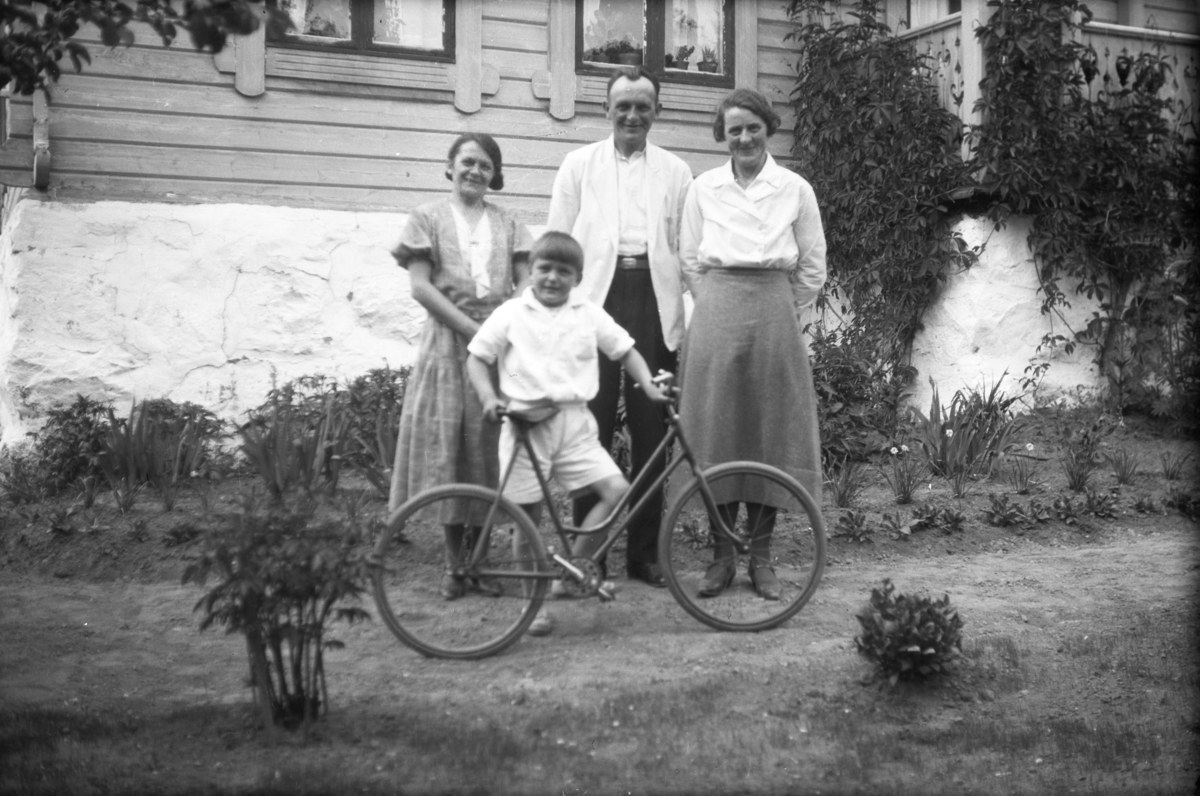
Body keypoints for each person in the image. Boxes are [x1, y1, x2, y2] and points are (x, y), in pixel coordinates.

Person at [466, 231, 670, 636]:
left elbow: (624, 348)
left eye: (563, 271)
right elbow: (477, 358)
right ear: (531, 272)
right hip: (526, 426)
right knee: (527, 520)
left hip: (575, 425)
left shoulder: (588, 312)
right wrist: (489, 398)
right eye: (544, 269)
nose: (553, 278)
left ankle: (572, 571)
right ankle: (532, 605)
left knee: (616, 490)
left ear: (577, 277)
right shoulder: (511, 313)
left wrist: (647, 384)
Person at [546, 65, 693, 588]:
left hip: (652, 303)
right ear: (606, 109)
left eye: (642, 105)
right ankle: (592, 554)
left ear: (657, 111)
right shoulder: (578, 164)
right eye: (622, 105)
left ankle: (645, 555)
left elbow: (684, 249)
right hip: (594, 302)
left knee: (655, 432)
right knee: (592, 433)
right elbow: (556, 241)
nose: (632, 114)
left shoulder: (676, 171)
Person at [677, 88, 827, 601]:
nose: (744, 137)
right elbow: (690, 259)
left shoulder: (795, 188)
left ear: (769, 129)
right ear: (723, 134)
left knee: (769, 431)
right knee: (717, 429)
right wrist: (716, 302)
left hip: (774, 310)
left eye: (753, 127)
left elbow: (811, 267)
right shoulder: (703, 188)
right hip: (716, 309)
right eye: (734, 129)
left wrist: (781, 309)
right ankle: (721, 555)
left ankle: (760, 556)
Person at [387, 133, 533, 600]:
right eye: (467, 162)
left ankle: (481, 561)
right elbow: (420, 287)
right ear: (450, 167)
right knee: (450, 449)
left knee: (488, 450)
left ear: (495, 175)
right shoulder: (426, 218)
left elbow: (525, 285)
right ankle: (454, 565)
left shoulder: (509, 223)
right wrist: (474, 332)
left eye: (485, 166)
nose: (475, 172)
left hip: (496, 350)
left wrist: (498, 328)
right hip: (446, 347)